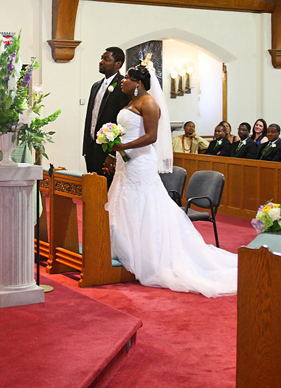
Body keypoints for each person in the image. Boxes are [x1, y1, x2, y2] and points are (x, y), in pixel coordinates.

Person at [104, 64, 238, 298]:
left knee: (143, 204)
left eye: (127, 78)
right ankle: (125, 251)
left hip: (141, 162)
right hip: (127, 162)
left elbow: (151, 136)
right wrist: (113, 150)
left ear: (139, 83)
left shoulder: (148, 103)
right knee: (123, 202)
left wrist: (123, 146)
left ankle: (147, 255)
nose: (122, 82)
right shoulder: (129, 103)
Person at [83, 48, 131, 178]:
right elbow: (90, 117)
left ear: (118, 64)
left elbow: (124, 122)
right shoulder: (95, 86)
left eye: (106, 59)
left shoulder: (123, 87)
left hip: (109, 149)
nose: (101, 62)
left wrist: (113, 154)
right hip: (92, 148)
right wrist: (86, 148)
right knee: (93, 188)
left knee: (107, 191)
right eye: (101, 58)